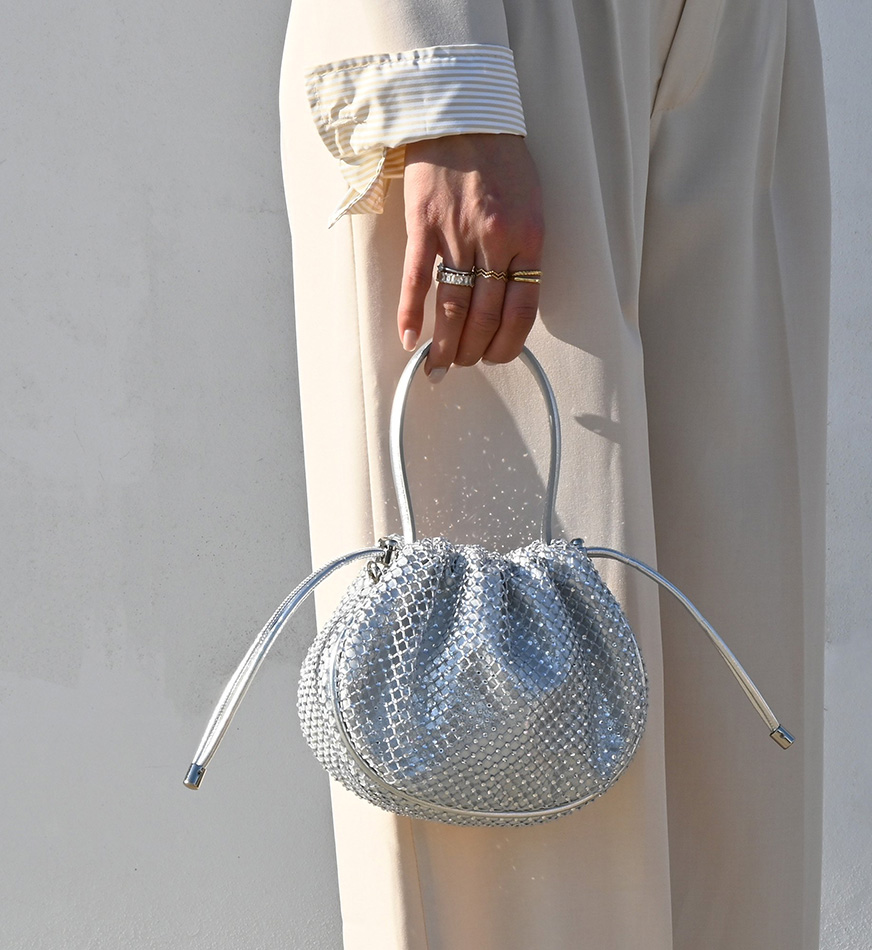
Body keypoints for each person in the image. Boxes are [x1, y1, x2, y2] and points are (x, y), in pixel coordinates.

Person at [279, 1, 830, 948]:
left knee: (730, 756)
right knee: (487, 714)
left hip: (744, 33)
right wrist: (444, 87)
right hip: (509, 38)